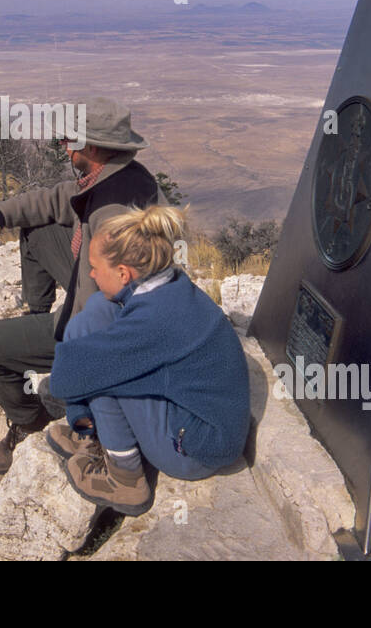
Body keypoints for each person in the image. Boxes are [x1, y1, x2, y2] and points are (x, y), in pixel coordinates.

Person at [0, 97, 164, 473]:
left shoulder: (110, 215)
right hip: (102, 290)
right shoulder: (123, 175)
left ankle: (28, 421)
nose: (61, 145)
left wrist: (70, 357)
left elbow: (102, 311)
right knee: (38, 228)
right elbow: (55, 200)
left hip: (103, 320)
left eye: (66, 139)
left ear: (89, 147)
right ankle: (35, 315)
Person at [44, 205, 252, 515]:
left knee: (104, 372)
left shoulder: (156, 320)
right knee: (99, 310)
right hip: (202, 421)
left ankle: (125, 478)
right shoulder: (169, 286)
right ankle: (96, 429)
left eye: (94, 267)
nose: (90, 274)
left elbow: (62, 379)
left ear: (124, 273)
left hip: (196, 451)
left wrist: (75, 402)